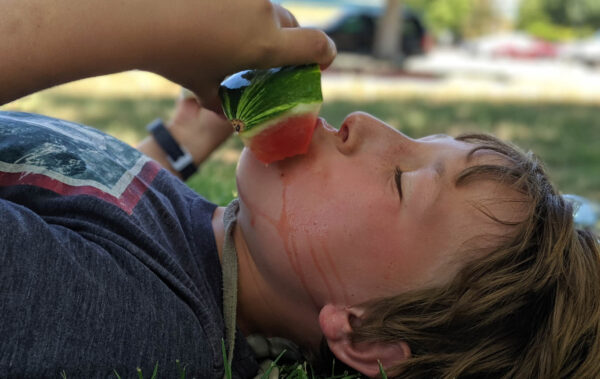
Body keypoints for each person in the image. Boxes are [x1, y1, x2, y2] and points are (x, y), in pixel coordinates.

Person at [1, 2, 599, 379]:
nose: (366, 122)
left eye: (402, 180)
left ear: (367, 336)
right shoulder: (204, 252)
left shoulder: (128, 323)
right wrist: (180, 143)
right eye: (417, 138)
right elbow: (88, 206)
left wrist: (144, 26)